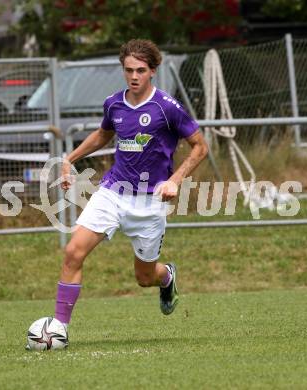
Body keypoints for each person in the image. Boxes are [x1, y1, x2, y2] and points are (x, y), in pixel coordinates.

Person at [54, 39, 208, 340]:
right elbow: (103, 134)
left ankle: (167, 277)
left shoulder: (167, 108)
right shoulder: (114, 103)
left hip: (150, 202)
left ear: (152, 71)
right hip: (113, 192)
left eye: (140, 70)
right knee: (73, 251)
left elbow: (200, 147)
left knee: (144, 277)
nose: (134, 76)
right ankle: (59, 328)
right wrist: (69, 158)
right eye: (128, 70)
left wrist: (174, 180)